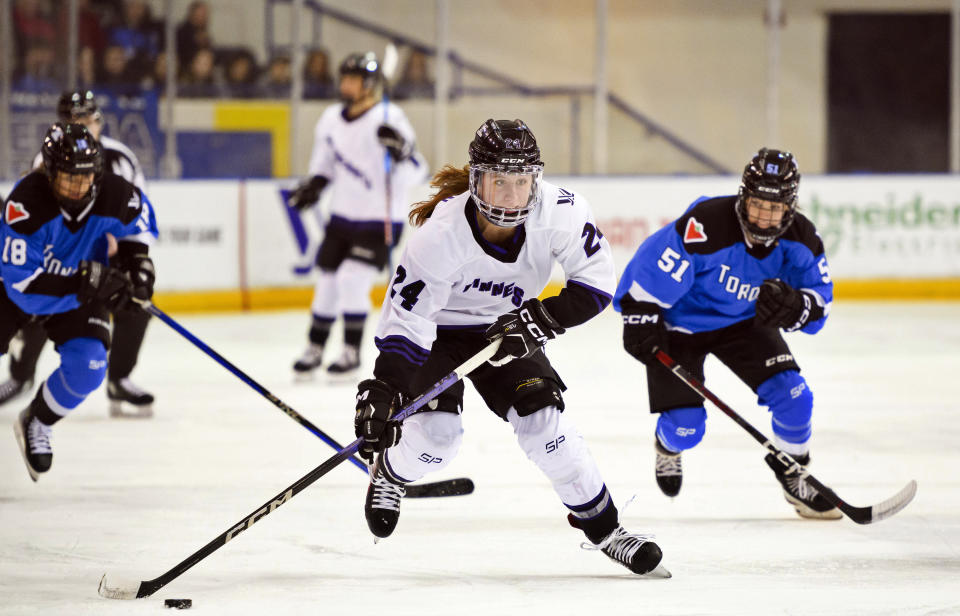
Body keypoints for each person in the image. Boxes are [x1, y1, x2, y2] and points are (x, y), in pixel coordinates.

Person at [351, 118, 669, 577]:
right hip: (440, 333)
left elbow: (598, 284)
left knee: (545, 425)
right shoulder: (440, 237)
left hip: (507, 327)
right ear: (477, 179)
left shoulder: (560, 212)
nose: (510, 195)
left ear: (535, 180)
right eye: (499, 182)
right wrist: (385, 389)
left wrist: (542, 318)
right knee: (437, 440)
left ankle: (606, 530)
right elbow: (410, 321)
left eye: (521, 182)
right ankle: (391, 473)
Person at [613, 148, 840, 519]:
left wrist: (797, 306)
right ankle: (667, 448)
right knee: (686, 429)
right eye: (756, 204)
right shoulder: (707, 224)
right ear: (742, 196)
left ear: (790, 206)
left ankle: (793, 473)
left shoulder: (802, 238)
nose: (764, 217)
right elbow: (653, 263)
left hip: (743, 324)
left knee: (796, 399)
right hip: (679, 326)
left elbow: (820, 302)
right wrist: (640, 314)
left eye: (775, 207)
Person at [2, 122, 158, 481]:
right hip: (16, 294)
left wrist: (138, 268)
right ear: (49, 171)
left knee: (89, 367)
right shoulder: (26, 201)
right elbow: (20, 282)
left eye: (86, 177)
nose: (79, 186)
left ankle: (37, 420)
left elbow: (138, 225)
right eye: (69, 177)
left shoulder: (114, 194)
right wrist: (87, 282)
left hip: (77, 295)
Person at [287, 52, 427, 378]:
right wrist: (315, 185)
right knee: (326, 283)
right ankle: (315, 347)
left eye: (354, 79)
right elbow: (324, 164)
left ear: (369, 85)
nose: (346, 84)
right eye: (344, 78)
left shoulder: (391, 117)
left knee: (352, 279)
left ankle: (351, 351)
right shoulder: (331, 119)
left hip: (380, 218)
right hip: (342, 216)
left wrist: (401, 152)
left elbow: (418, 170)